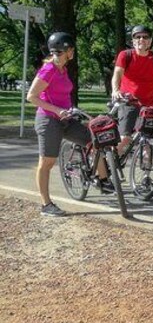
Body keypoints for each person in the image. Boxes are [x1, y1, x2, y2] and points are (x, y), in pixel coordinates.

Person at [27, 32, 109, 216]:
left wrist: (71, 110)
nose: (73, 52)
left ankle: (102, 179)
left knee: (93, 140)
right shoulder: (48, 70)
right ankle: (46, 205)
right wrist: (57, 110)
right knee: (47, 162)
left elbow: (62, 95)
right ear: (65, 49)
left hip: (66, 119)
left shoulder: (63, 69)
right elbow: (31, 97)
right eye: (71, 49)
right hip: (48, 120)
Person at [110, 24, 153, 154]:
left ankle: (147, 172)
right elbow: (117, 74)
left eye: (145, 37)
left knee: (148, 143)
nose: (141, 40)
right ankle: (110, 163)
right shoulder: (125, 55)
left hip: (150, 105)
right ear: (133, 40)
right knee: (125, 138)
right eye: (137, 37)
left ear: (150, 41)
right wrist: (115, 90)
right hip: (128, 102)